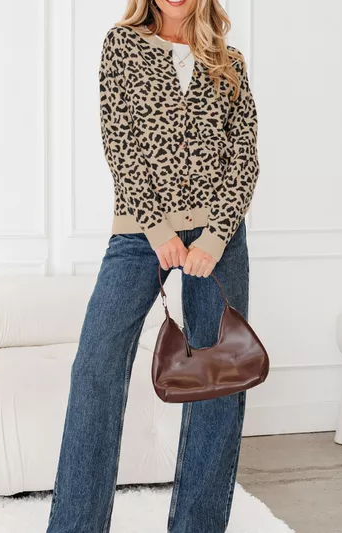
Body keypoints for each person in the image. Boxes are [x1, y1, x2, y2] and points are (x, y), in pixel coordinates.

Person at [46, 0, 260, 531]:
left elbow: (244, 157)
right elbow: (120, 142)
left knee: (219, 382)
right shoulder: (121, 46)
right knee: (95, 367)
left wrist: (215, 236)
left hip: (218, 237)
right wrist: (159, 229)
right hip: (141, 232)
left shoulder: (229, 61)